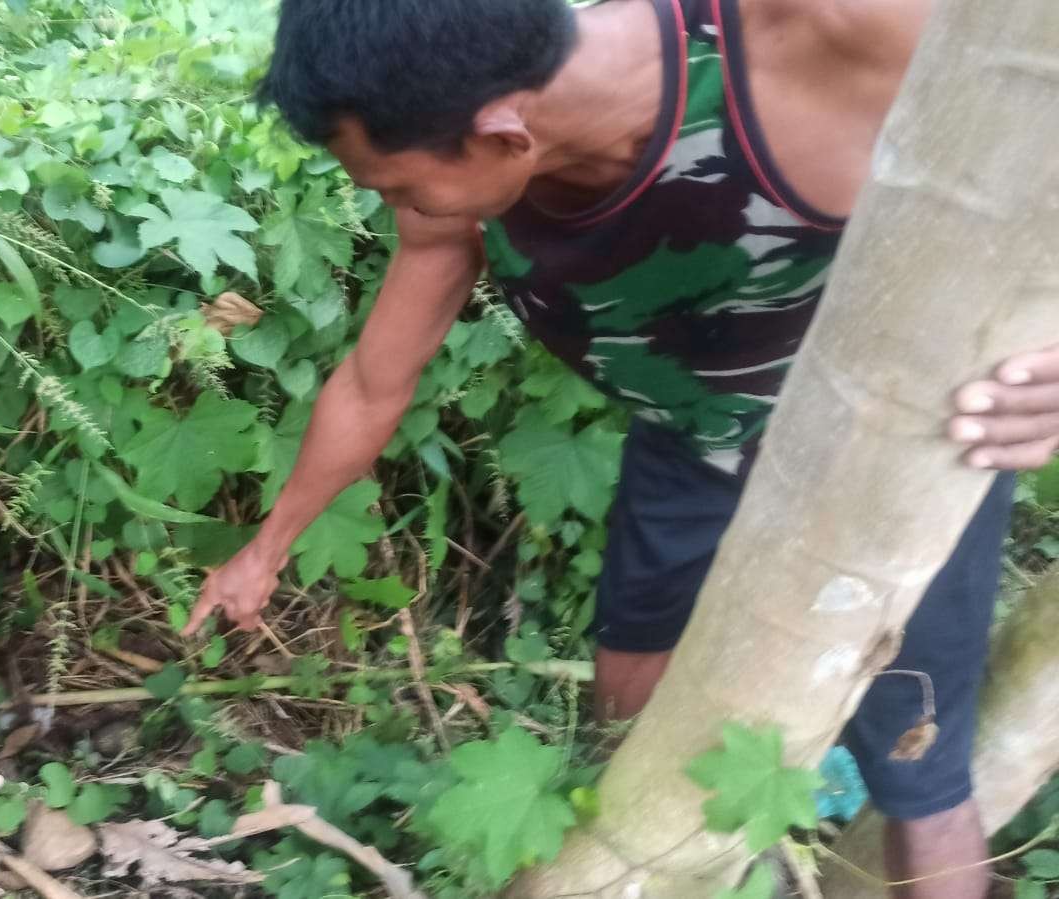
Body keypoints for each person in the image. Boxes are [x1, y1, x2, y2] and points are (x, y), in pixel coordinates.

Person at [178, 1, 1059, 897]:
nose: (399, 209)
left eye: (402, 189)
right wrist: (267, 547)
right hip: (689, 445)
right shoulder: (451, 152)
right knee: (628, 710)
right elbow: (374, 382)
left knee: (921, 775)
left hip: (884, 452)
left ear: (505, 134)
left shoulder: (821, 39)